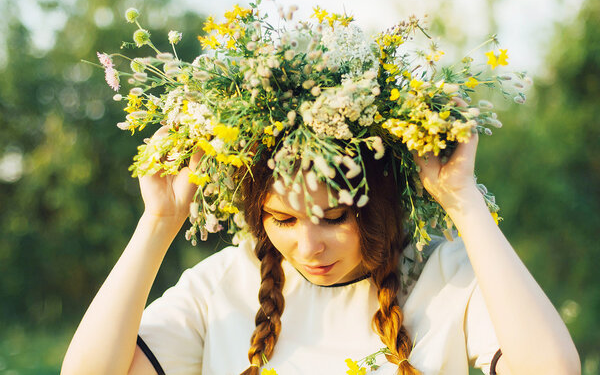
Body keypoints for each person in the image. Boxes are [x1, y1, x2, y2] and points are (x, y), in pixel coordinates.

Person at [61, 128, 580, 375]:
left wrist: (463, 202)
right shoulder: (220, 284)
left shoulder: (448, 274)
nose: (307, 246)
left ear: (378, 206)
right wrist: (158, 223)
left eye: (335, 218)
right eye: (282, 220)